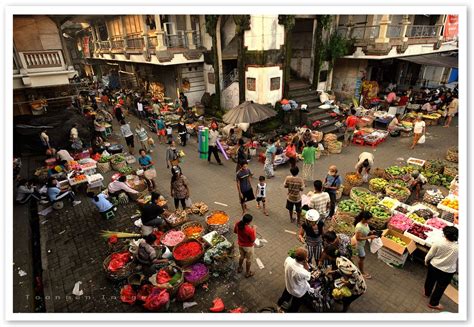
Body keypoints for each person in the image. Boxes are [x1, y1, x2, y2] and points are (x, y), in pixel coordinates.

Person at [424, 226, 458, 310]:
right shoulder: (458, 248)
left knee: (430, 280)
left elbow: (430, 254)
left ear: (445, 235)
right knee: (440, 287)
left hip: (434, 266)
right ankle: (433, 303)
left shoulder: (438, 242)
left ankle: (427, 293)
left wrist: (426, 261)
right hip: (448, 271)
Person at [277, 247, 314, 313]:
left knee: (285, 296)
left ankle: (279, 305)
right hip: (298, 292)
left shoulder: (288, 260)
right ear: (305, 259)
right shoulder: (302, 272)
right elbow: (309, 276)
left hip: (289, 285)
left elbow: (285, 265)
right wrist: (306, 264)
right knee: (295, 305)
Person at [353, 211, 377, 279]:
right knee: (362, 257)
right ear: (363, 219)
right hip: (359, 245)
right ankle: (362, 272)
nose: (370, 221)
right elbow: (358, 238)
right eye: (369, 219)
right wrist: (369, 237)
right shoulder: (359, 227)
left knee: (362, 257)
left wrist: (370, 232)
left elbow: (365, 231)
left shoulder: (366, 223)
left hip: (362, 244)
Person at [233, 214, 256, 278]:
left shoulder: (238, 223)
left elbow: (235, 232)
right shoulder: (249, 230)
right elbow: (253, 240)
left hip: (240, 244)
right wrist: (254, 229)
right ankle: (247, 273)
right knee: (248, 260)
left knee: (242, 256)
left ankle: (240, 268)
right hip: (248, 247)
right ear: (249, 222)